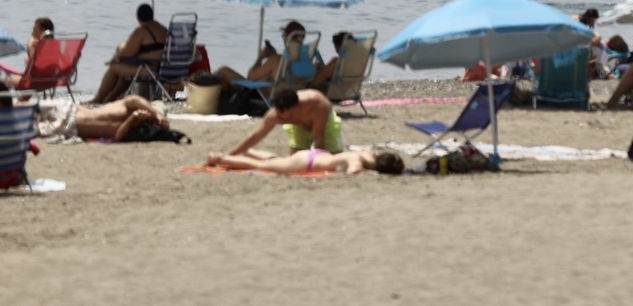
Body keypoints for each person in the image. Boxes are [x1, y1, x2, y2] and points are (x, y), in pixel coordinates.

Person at [224, 87, 344, 158]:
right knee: (294, 160)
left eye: (284, 115)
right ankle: (248, 152)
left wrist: (314, 162)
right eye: (278, 113)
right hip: (299, 127)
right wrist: (229, 155)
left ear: (296, 108)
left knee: (333, 159)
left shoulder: (317, 105)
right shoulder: (276, 113)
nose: (280, 117)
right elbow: (255, 136)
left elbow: (319, 138)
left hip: (325, 124)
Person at [92, 3, 172, 102]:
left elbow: (127, 53)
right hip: (164, 69)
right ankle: (111, 99)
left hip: (150, 70)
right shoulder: (163, 29)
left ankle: (98, 99)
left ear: (138, 17)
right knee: (125, 71)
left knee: (114, 68)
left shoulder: (142, 31)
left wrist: (116, 56)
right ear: (152, 15)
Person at [40, 94, 173, 141]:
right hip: (69, 109)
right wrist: (157, 115)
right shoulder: (126, 106)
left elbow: (118, 136)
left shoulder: (135, 127)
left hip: (70, 124)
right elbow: (134, 99)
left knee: (26, 123)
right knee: (26, 108)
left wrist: (134, 117)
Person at [206, 147, 405, 176]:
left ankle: (250, 150)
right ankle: (219, 158)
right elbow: (353, 172)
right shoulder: (357, 160)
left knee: (278, 160)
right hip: (308, 162)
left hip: (316, 155)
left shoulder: (368, 153)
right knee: (263, 167)